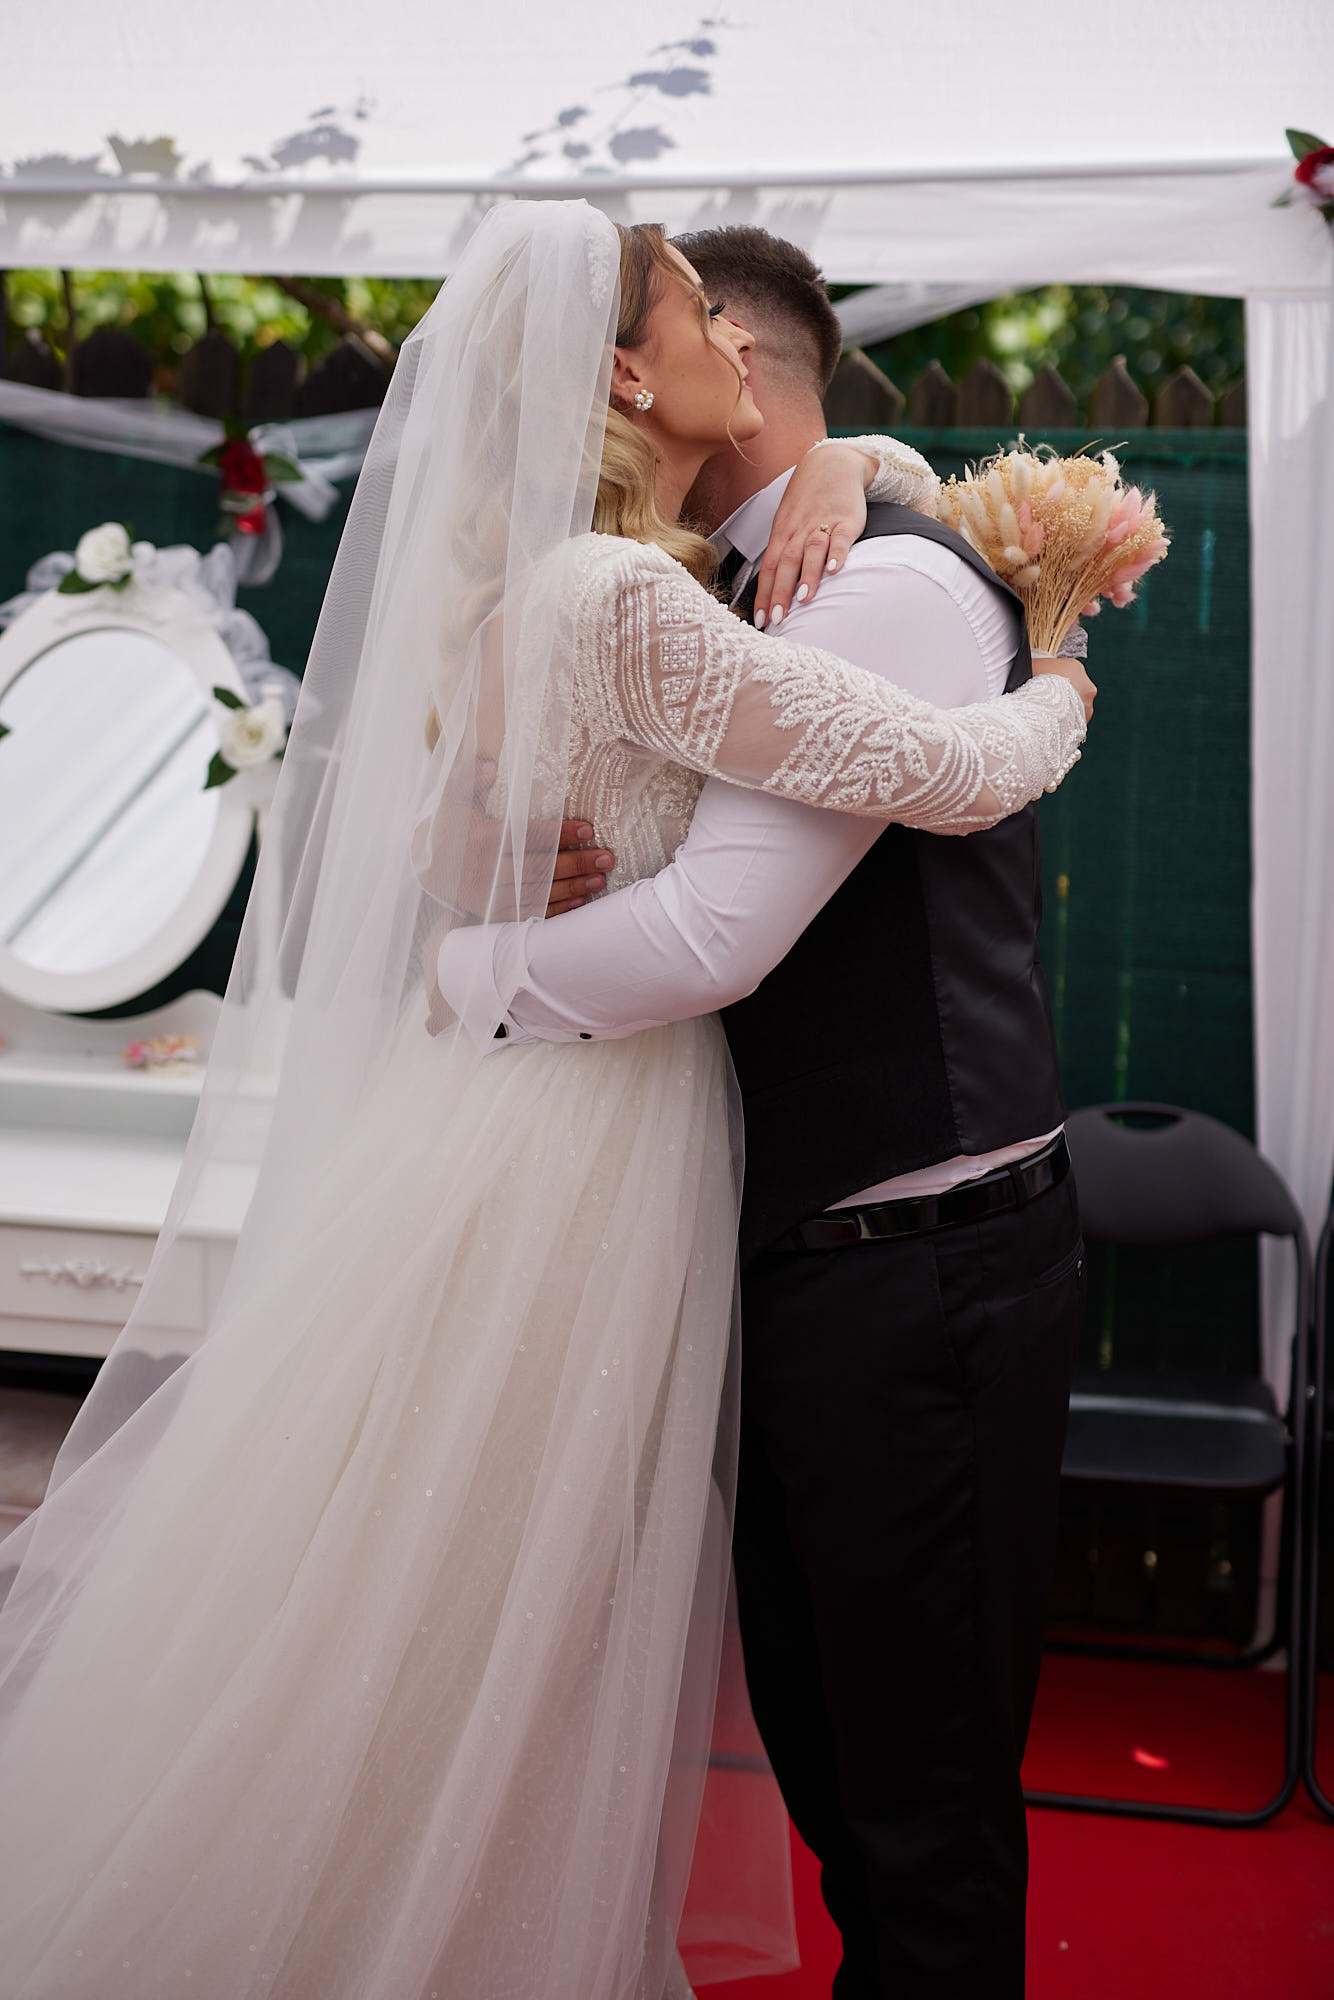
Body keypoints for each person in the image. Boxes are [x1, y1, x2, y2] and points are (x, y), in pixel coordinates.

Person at [0, 204, 1090, 2000]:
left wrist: (873, 473)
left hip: (874, 1236)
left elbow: (700, 879)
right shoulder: (636, 590)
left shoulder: (804, 571)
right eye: (693, 318)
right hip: (620, 1162)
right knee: (531, 1667)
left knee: (847, 1774)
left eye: (732, 327)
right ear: (633, 373)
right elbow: (770, 893)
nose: (722, 347)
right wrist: (1056, 673)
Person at [438, 225, 1088, 1998]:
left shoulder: (872, 581)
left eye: (712, 320)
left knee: (910, 1802)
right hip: (777, 1244)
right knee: (830, 1749)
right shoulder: (674, 582)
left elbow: (716, 934)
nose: (710, 347)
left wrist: (455, 974)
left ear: (735, 346)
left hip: (914, 1253)